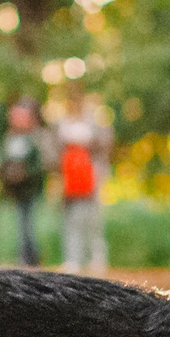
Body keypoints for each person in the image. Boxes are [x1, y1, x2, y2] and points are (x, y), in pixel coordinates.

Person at [54, 96, 111, 275]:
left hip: (90, 177)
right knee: (71, 221)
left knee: (93, 220)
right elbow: (53, 152)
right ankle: (73, 259)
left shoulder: (95, 125)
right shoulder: (62, 125)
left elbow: (106, 145)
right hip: (70, 179)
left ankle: (97, 258)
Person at [0, 99, 47, 266]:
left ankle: (33, 259)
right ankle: (24, 259)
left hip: (32, 190)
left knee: (30, 226)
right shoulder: (9, 139)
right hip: (15, 191)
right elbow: (2, 161)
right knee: (20, 226)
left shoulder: (35, 138)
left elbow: (40, 165)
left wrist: (24, 173)